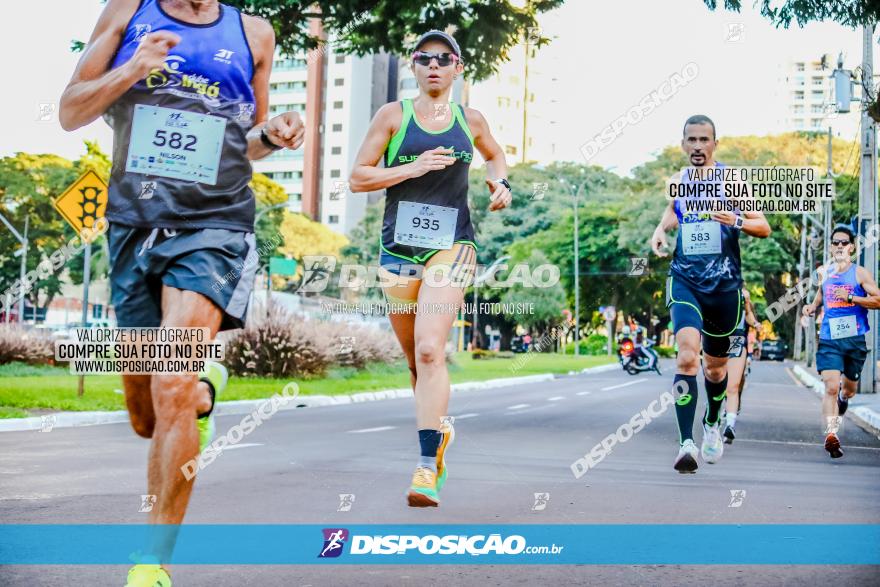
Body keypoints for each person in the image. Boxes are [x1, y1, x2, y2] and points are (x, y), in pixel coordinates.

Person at [60, 0, 304, 583]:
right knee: (148, 414)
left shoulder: (254, 34)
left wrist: (273, 134)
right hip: (134, 222)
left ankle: (152, 564)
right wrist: (130, 70)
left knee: (169, 375)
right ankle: (203, 394)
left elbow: (245, 143)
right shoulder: (127, 12)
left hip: (215, 224)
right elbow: (71, 112)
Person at [350, 30, 511, 507]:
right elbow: (359, 177)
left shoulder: (471, 120)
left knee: (428, 351)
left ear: (459, 68)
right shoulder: (393, 116)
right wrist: (412, 168)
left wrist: (499, 182)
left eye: (445, 58)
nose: (434, 65)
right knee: (415, 363)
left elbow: (495, 155)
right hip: (398, 250)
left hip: (452, 246)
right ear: (414, 67)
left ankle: (423, 468)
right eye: (425, 58)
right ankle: (437, 436)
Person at [651, 114, 771, 474]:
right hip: (685, 279)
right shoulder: (678, 182)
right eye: (692, 140)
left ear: (715, 143)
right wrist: (660, 230)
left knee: (716, 371)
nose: (698, 146)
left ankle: (712, 423)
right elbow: (674, 210)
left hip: (725, 286)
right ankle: (686, 443)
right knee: (687, 356)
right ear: (683, 144)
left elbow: (762, 226)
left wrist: (733, 220)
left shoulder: (732, 182)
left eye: (705, 140)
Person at [802, 225, 880, 458]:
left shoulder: (860, 274)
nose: (839, 246)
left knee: (848, 389)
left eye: (843, 242)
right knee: (831, 387)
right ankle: (831, 435)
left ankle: (844, 399)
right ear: (830, 246)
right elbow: (821, 295)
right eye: (835, 242)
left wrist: (851, 297)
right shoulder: (824, 273)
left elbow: (877, 300)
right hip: (829, 339)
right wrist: (812, 307)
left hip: (854, 340)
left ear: (852, 246)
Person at [722, 287, 763, 444]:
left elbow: (748, 314)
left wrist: (756, 324)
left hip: (736, 338)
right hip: (717, 337)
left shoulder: (744, 294)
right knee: (717, 379)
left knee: (734, 383)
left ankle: (730, 425)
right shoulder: (712, 287)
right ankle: (714, 414)